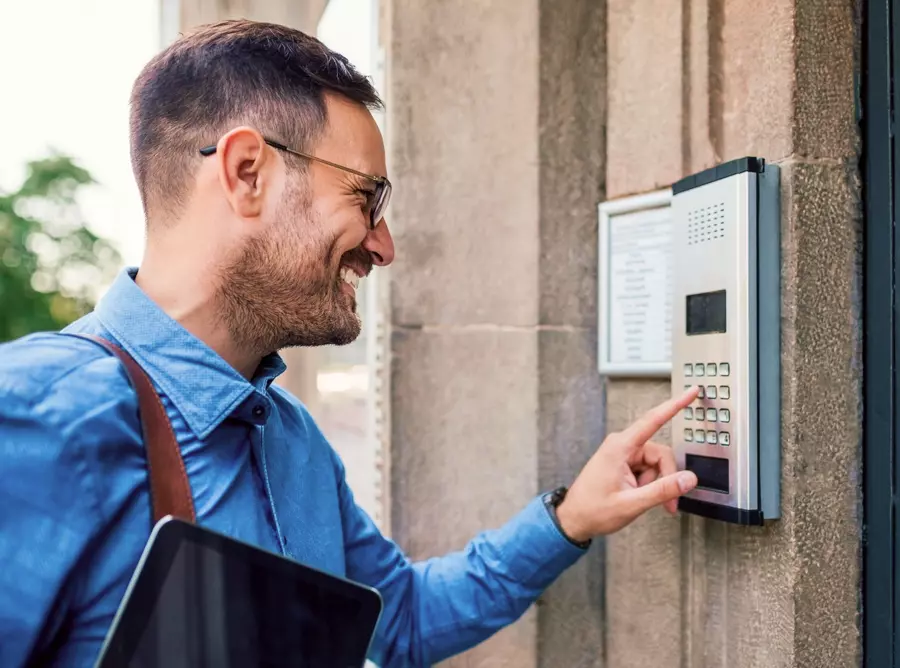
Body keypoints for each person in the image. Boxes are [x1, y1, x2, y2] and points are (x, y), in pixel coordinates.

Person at [0, 19, 700, 667]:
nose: (384, 246)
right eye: (367, 198)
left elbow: (402, 621)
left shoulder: (292, 442)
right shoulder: (39, 413)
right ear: (248, 173)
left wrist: (571, 516)